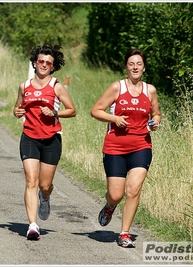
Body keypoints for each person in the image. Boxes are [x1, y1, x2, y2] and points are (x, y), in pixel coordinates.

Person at [90, 48, 161, 248]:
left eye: (138, 64)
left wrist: (155, 122)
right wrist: (115, 119)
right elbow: (95, 110)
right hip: (115, 147)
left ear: (144, 67)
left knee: (134, 189)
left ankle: (124, 233)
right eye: (131, 64)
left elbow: (156, 114)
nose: (135, 67)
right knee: (116, 194)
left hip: (141, 145)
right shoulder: (116, 88)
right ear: (126, 67)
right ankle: (110, 206)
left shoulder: (151, 90)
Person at [13, 44, 76, 240]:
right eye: (41, 61)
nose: (44, 65)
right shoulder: (24, 86)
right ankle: (33, 225)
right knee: (31, 180)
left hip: (51, 139)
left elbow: (72, 110)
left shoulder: (56, 86)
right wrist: (17, 112)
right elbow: (18, 108)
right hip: (29, 137)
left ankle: (45, 197)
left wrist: (55, 112)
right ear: (34, 63)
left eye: (48, 63)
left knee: (44, 184)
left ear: (53, 66)